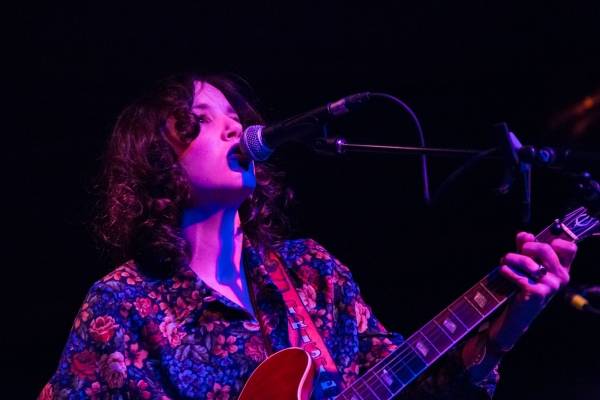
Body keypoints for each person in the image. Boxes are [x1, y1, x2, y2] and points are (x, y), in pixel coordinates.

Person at [39, 73, 577, 399]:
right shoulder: (123, 306)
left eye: (234, 115)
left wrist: (506, 328)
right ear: (159, 161)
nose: (234, 127)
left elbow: (419, 387)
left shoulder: (311, 274)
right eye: (200, 119)